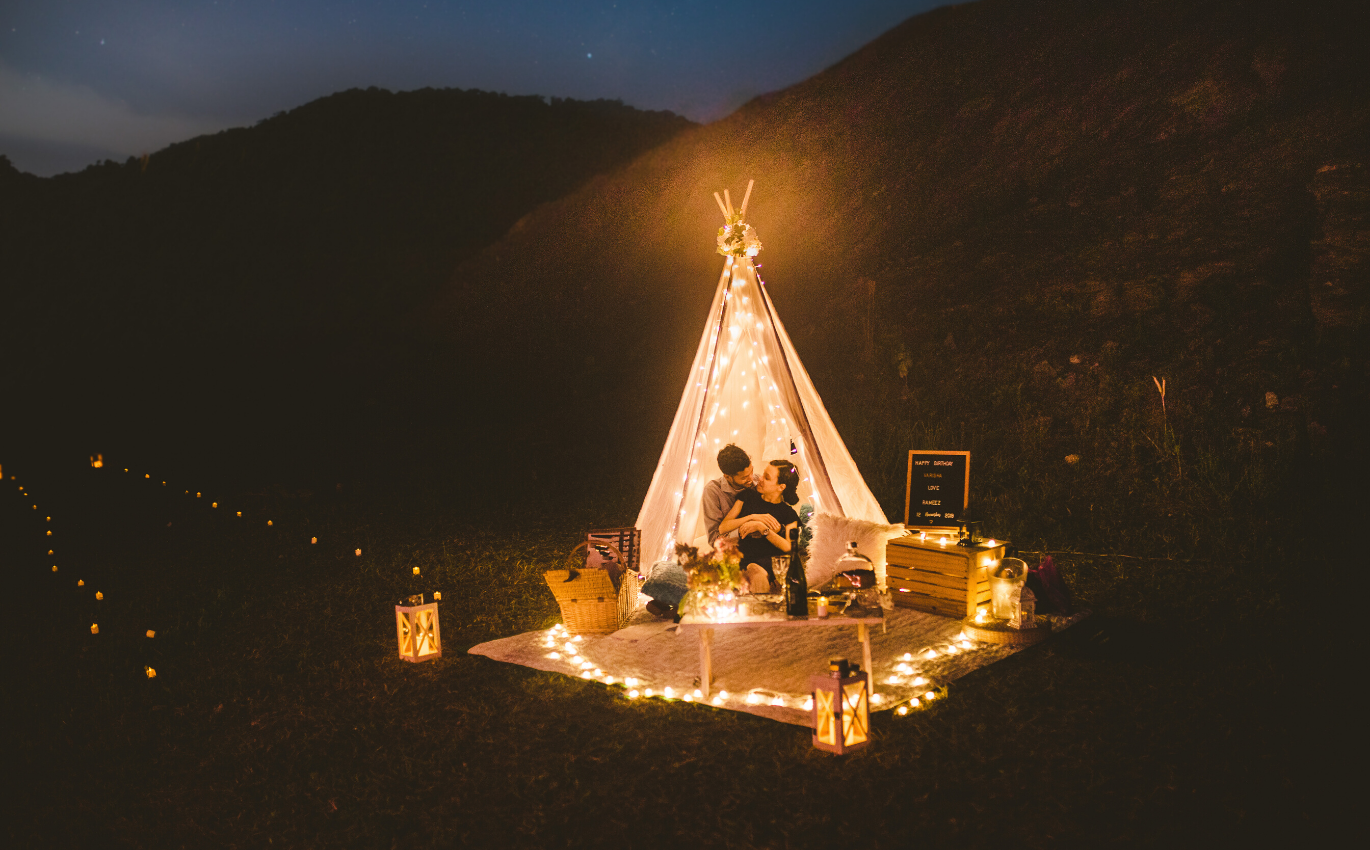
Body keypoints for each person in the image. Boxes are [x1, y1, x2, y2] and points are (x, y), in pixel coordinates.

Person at [717, 459, 800, 588]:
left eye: (767, 478)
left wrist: (763, 529)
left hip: (770, 560)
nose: (760, 479)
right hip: (743, 556)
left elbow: (790, 547)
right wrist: (752, 518)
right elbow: (723, 527)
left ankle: (762, 605)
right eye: (763, 474)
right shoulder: (747, 496)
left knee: (756, 573)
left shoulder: (789, 513)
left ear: (781, 487)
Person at [701, 443, 765, 547]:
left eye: (751, 471)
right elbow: (714, 540)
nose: (751, 479)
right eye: (744, 477)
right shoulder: (713, 491)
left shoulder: (758, 481)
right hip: (735, 550)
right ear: (728, 477)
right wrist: (745, 530)